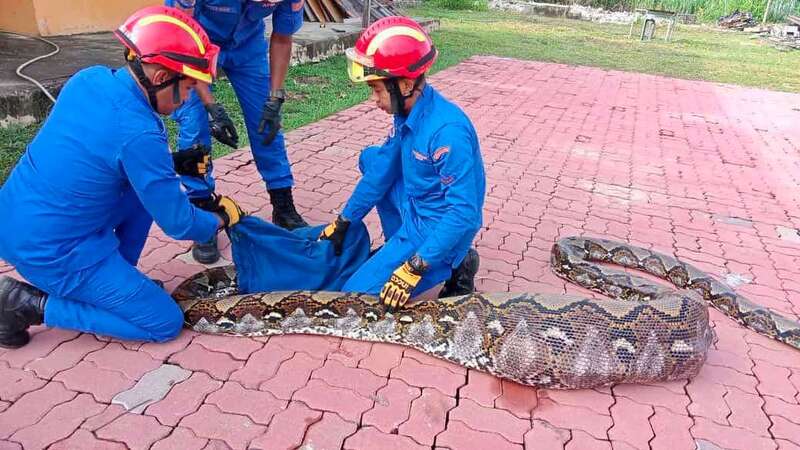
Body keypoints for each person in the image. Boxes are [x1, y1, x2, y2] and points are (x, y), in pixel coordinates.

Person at [0, 6, 246, 349]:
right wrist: (220, 219)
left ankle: (115, 283)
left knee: (139, 194)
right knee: (164, 321)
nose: (188, 98)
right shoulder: (140, 134)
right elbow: (178, 224)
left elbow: (94, 154)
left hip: (20, 220)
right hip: (52, 251)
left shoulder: (90, 78)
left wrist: (173, 163)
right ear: (161, 78)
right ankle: (29, 305)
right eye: (189, 88)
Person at [319, 16, 485, 309]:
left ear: (406, 84)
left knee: (352, 298)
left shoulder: (447, 133)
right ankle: (399, 246)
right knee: (371, 159)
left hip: (436, 226)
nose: (374, 99)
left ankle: (455, 262)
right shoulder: (407, 113)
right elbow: (382, 169)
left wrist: (415, 267)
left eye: (378, 89)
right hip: (416, 206)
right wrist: (345, 220)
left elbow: (465, 213)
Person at [166, 0, 309, 265]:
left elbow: (281, 39)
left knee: (266, 121)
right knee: (194, 124)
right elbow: (184, 38)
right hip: (194, 41)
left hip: (247, 45)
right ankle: (201, 209)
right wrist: (212, 106)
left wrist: (275, 97)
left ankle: (282, 204)